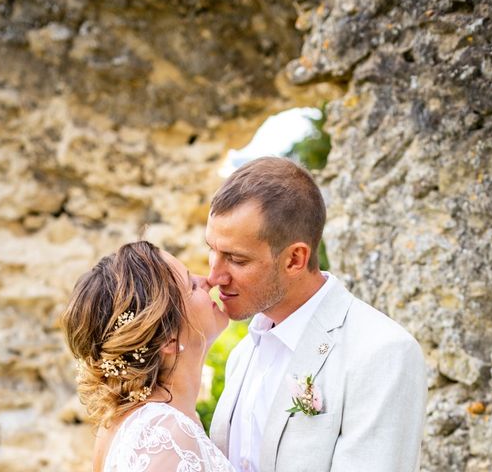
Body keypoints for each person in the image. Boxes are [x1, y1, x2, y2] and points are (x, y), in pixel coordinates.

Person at [206, 157, 427, 472]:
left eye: (236, 259)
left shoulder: (384, 353)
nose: (214, 276)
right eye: (211, 250)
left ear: (295, 259)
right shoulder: (242, 356)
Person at [60, 241, 235, 472]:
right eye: (192, 286)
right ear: (169, 339)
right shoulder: (164, 434)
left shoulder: (127, 423)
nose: (207, 281)